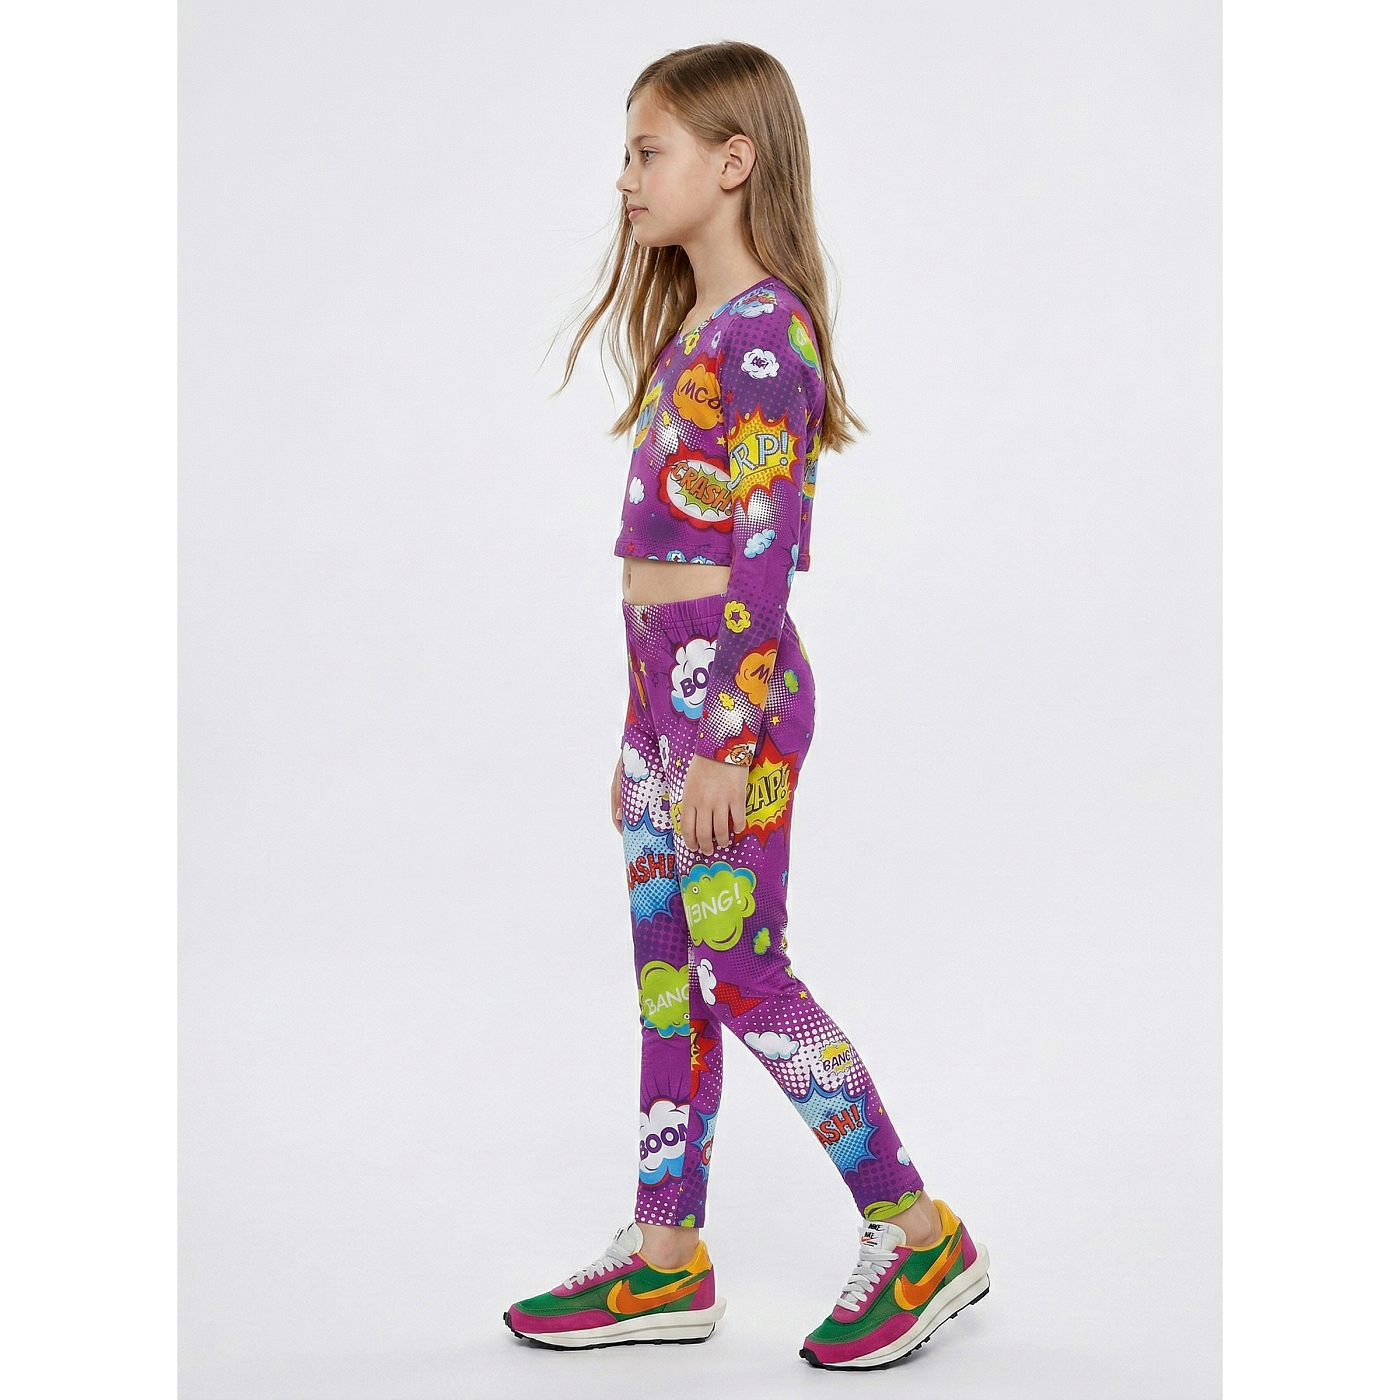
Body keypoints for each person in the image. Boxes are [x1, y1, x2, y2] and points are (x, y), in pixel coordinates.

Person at [503, 41, 990, 1371]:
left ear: (733, 161)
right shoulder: (695, 330)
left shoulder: (768, 332)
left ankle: (917, 1228)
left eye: (646, 152)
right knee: (671, 977)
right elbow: (658, 568)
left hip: (735, 705)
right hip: (661, 701)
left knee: (742, 971)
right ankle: (667, 1256)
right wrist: (639, 734)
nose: (624, 180)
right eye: (623, 154)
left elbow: (762, 559)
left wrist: (723, 737)